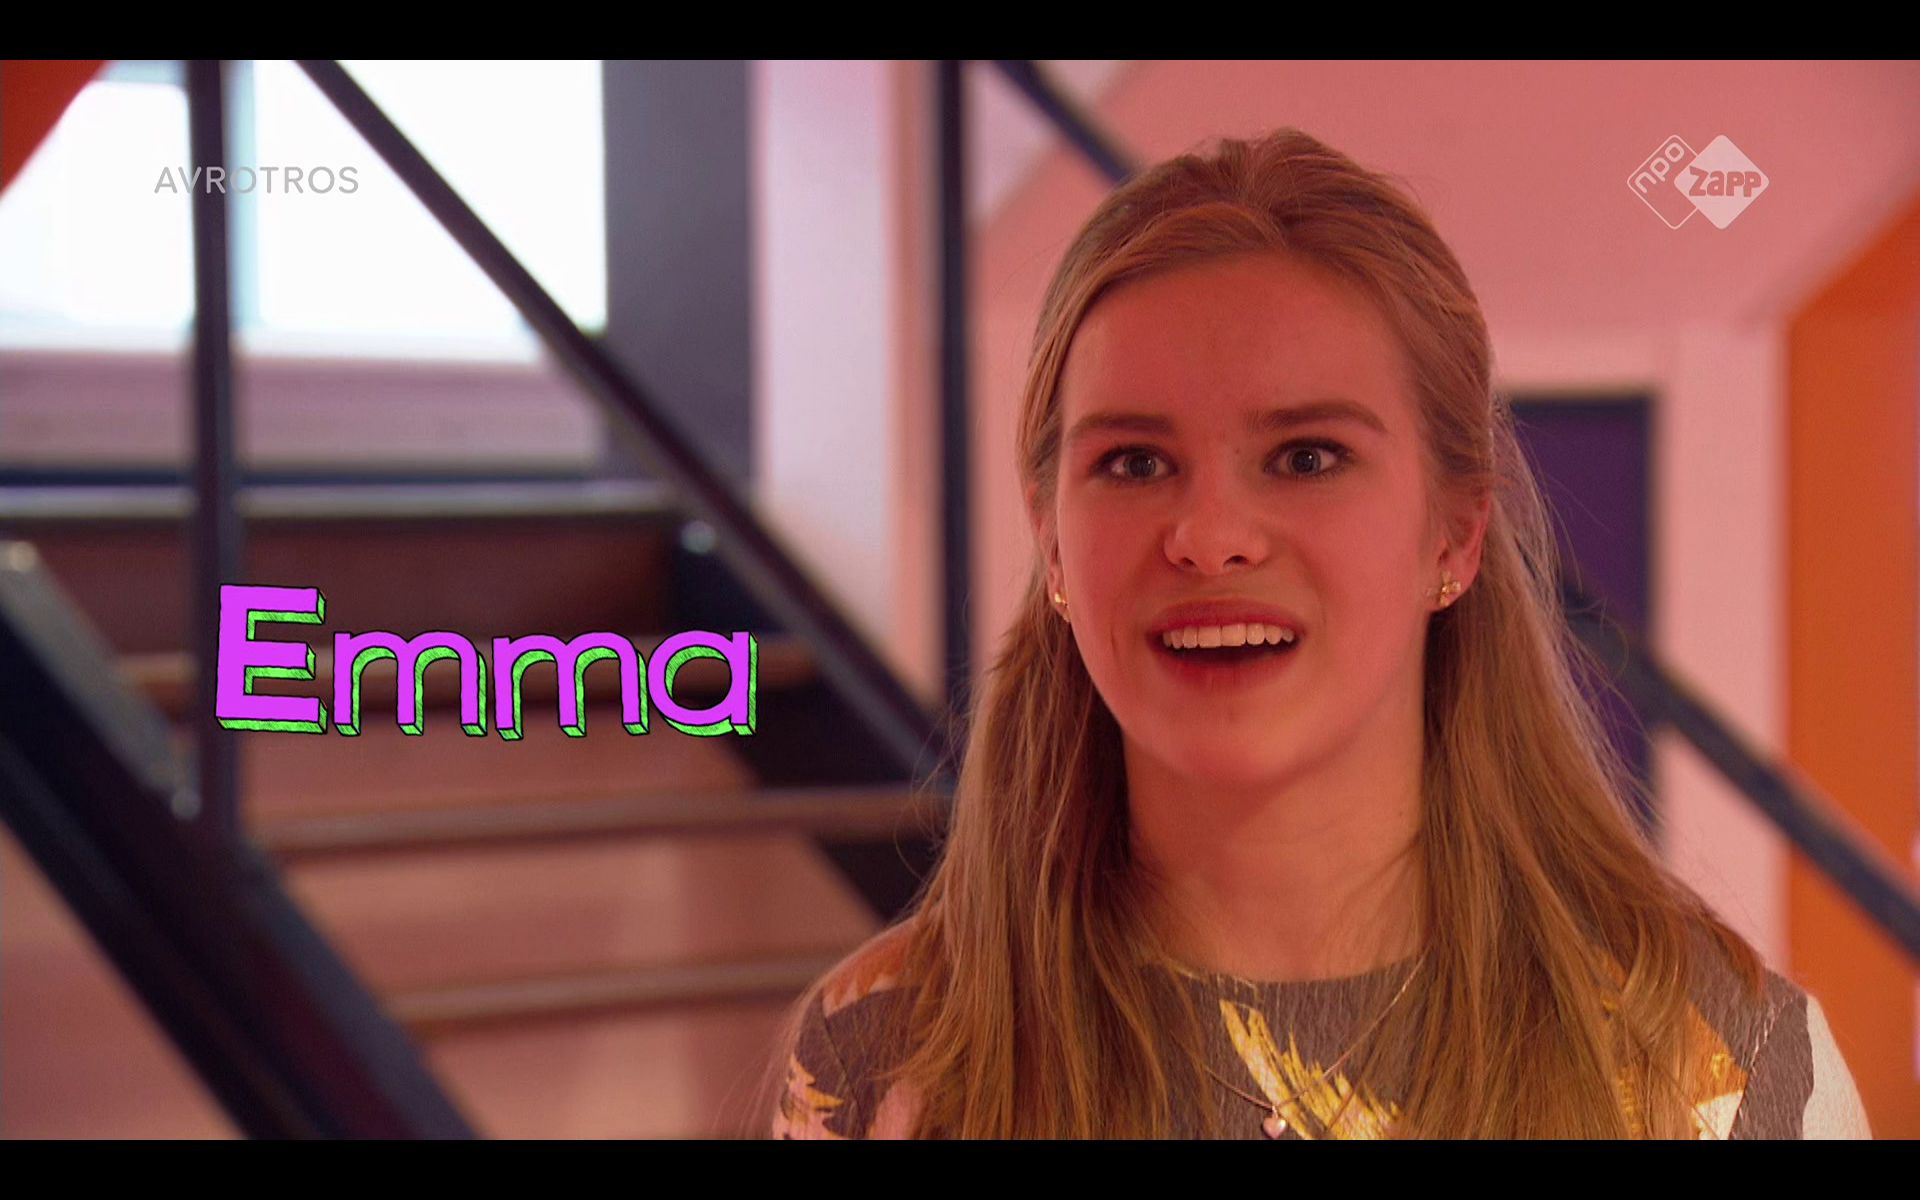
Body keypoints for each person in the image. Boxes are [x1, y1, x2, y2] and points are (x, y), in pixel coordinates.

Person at [764, 128, 1873, 1139]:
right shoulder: (886, 1063)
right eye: (1135, 462)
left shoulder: (1718, 1071)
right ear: (1052, 538)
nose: (1208, 537)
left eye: (1306, 457)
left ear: (1455, 534)